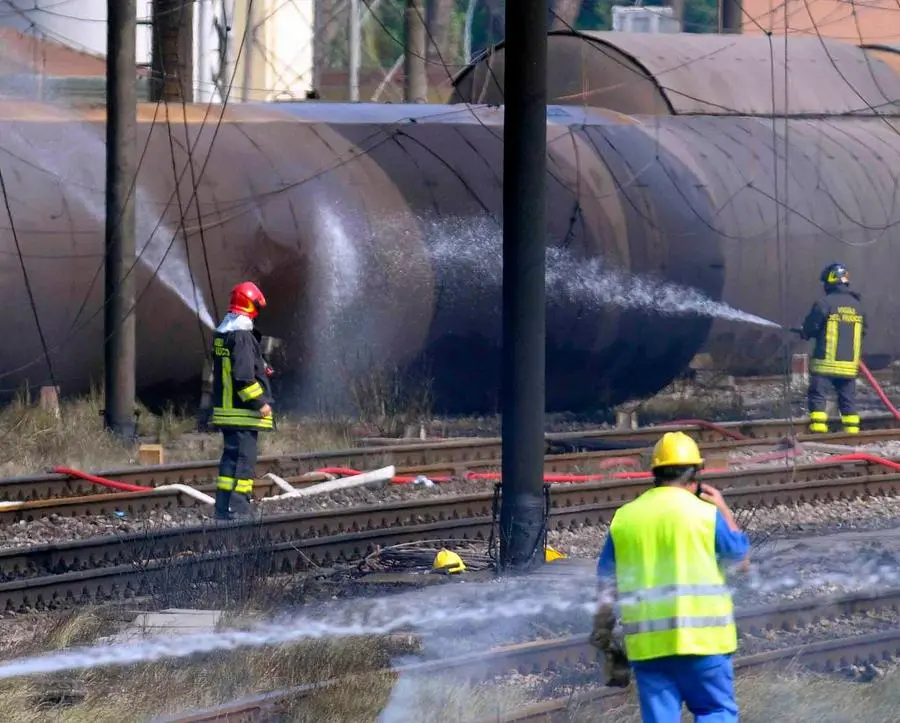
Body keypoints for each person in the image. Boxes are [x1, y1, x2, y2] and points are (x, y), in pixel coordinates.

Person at [592, 431, 750, 722]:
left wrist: (603, 633)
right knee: (714, 711)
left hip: (649, 647)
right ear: (695, 475)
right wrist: (724, 509)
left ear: (655, 473)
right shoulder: (705, 514)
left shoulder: (625, 517)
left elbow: (606, 584)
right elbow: (740, 562)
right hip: (704, 643)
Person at [211, 281, 275, 520]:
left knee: (230, 460)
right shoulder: (242, 336)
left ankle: (223, 507)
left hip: (227, 411)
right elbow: (243, 378)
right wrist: (260, 403)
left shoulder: (223, 333)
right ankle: (239, 509)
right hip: (243, 412)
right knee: (243, 462)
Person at [793, 262, 866, 435]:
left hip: (825, 364)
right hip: (848, 365)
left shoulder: (824, 303)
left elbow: (812, 327)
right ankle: (852, 433)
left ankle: (819, 430)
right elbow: (864, 331)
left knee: (818, 396)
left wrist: (804, 332)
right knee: (848, 400)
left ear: (830, 281)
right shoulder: (858, 306)